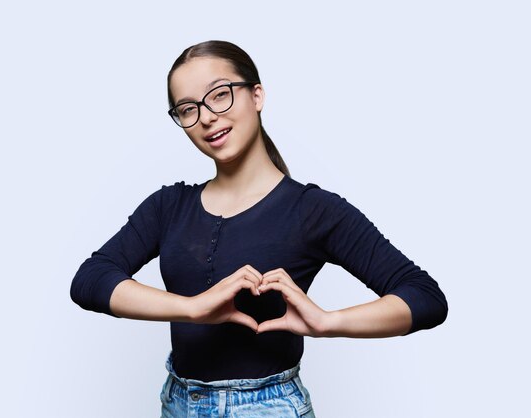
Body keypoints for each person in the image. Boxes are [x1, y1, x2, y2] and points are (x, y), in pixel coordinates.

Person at [70, 40, 448, 417]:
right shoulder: (168, 207)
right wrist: (193, 308)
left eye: (219, 95)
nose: (206, 117)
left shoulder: (312, 209)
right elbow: (90, 280)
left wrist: (328, 322)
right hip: (178, 403)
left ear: (257, 95)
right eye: (188, 109)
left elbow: (425, 298)